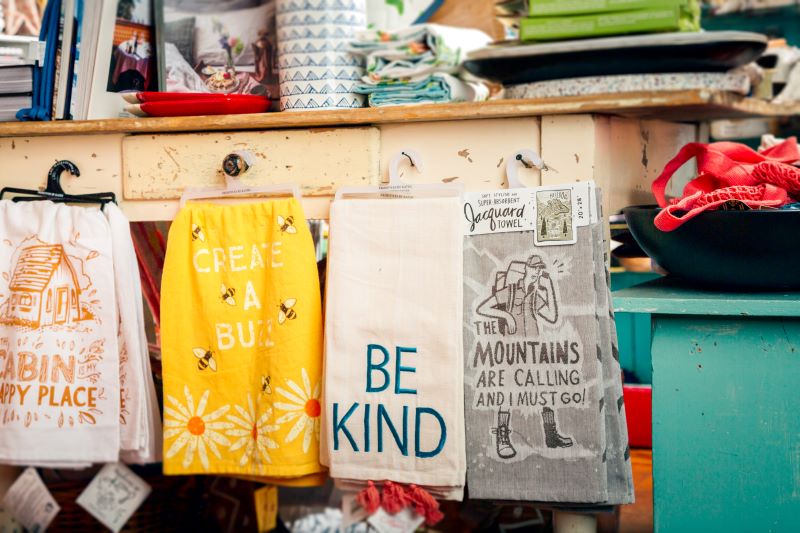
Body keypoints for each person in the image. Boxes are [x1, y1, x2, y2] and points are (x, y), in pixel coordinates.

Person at [476, 254, 558, 337]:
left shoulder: (535, 296)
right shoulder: (511, 291)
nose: (536, 271)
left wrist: (549, 287)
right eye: (533, 267)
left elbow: (552, 317)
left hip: (533, 345)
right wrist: (507, 316)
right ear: (526, 268)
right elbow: (483, 309)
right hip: (514, 346)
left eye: (538, 268)